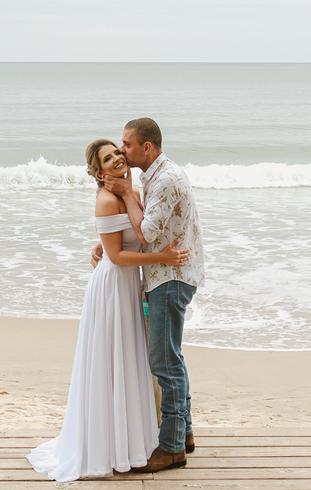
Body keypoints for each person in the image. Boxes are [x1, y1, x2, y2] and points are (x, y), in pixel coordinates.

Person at [27, 138, 190, 482]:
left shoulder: (127, 194)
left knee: (131, 362)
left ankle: (135, 439)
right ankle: (109, 445)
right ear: (98, 172)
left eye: (118, 151)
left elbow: (137, 230)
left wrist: (105, 238)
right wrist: (159, 258)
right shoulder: (105, 200)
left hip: (129, 287)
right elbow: (116, 256)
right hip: (114, 287)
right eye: (108, 157)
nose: (117, 157)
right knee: (112, 362)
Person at [93, 117, 206, 474]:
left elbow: (145, 233)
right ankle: (183, 432)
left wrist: (126, 194)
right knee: (171, 357)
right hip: (168, 276)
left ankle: (172, 448)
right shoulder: (154, 177)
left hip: (170, 278)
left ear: (146, 147)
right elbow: (133, 229)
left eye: (126, 144)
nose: (122, 151)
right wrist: (105, 242)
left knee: (164, 362)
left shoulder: (165, 179)